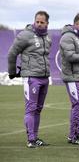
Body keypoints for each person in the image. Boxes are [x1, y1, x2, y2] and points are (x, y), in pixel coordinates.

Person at [7, 11, 51, 148]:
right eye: (37, 21)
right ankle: (30, 139)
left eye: (42, 22)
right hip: (31, 78)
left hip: (44, 78)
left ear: (47, 24)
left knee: (38, 109)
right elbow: (12, 53)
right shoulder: (25, 35)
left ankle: (35, 137)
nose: (39, 24)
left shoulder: (47, 38)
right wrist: (12, 72)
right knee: (31, 109)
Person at [59, 13, 79, 145]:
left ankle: (73, 134)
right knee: (78, 104)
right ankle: (74, 134)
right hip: (72, 77)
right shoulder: (67, 37)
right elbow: (70, 56)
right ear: (77, 24)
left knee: (78, 106)